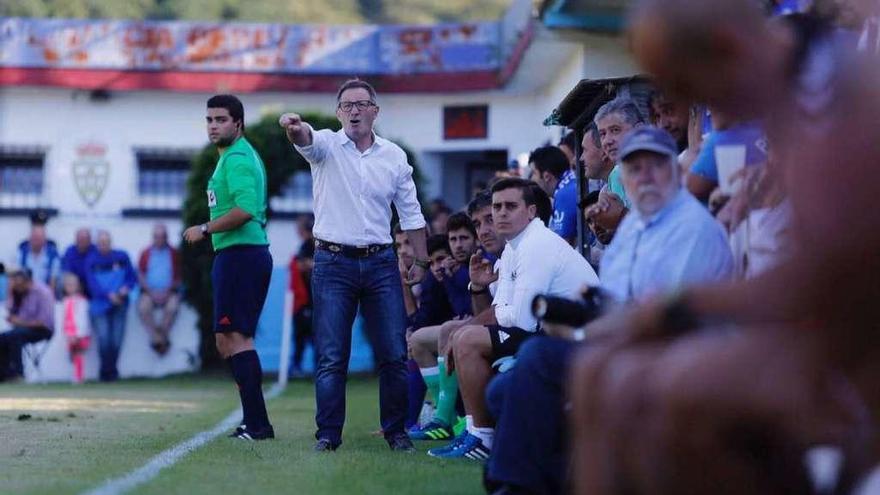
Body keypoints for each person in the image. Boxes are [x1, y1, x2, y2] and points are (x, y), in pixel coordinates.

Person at [484, 127, 734, 494]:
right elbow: (608, 302)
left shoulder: (690, 228)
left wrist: (589, 331)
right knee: (502, 389)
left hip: (671, 353)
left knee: (535, 358)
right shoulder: (635, 227)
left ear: (676, 173)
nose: (644, 176)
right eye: (634, 168)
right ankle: (540, 482)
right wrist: (576, 320)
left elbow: (672, 317)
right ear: (624, 178)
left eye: (655, 166)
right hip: (623, 344)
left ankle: (515, 485)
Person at [280, 78, 428, 452]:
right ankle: (328, 435)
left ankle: (396, 432)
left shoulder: (394, 156)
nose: (354, 111)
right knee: (331, 356)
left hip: (380, 262)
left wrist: (422, 261)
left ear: (375, 111)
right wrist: (295, 129)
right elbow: (306, 140)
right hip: (332, 262)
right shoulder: (327, 145)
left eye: (362, 104)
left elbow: (411, 213)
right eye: (347, 105)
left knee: (394, 352)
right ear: (338, 113)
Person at [428, 178, 599, 460]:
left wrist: (503, 310)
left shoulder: (537, 244)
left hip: (578, 341)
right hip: (547, 333)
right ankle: (474, 433)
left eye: (510, 206)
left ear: (530, 211)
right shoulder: (513, 248)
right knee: (461, 335)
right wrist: (488, 296)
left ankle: (483, 438)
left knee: (468, 338)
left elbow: (521, 319)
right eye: (497, 207)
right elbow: (502, 310)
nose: (501, 213)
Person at [184, 94, 275, 440]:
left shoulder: (237, 157)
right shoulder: (232, 156)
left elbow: (245, 209)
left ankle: (258, 424)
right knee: (227, 340)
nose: (213, 126)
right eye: (209, 120)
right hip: (239, 255)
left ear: (238, 123)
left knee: (235, 339)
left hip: (242, 255)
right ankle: (254, 420)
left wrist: (204, 228)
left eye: (221, 120)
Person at [85, 230, 137, 382]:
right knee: (104, 339)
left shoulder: (122, 257)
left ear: (111, 242)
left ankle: (112, 372)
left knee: (116, 340)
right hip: (99, 306)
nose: (104, 246)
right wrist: (109, 296)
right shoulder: (91, 260)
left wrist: (124, 290)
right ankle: (105, 372)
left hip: (120, 304)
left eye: (106, 242)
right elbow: (92, 284)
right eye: (101, 243)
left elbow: (131, 278)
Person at [0, 267, 54, 381]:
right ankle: (4, 374)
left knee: (15, 336)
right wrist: (10, 290)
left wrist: (20, 322)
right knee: (3, 338)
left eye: (20, 284)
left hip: (43, 330)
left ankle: (18, 374)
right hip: (22, 328)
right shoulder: (18, 292)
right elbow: (10, 312)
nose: (18, 287)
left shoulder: (43, 293)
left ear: (28, 281)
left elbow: (43, 322)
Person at [137, 224, 182, 355]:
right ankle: (161, 340)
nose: (159, 239)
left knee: (172, 307)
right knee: (143, 308)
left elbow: (178, 276)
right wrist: (151, 292)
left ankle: (157, 339)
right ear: (153, 238)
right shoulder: (145, 253)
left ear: (166, 237)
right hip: (149, 292)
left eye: (162, 237)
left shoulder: (174, 253)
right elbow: (140, 275)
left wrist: (167, 292)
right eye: (157, 237)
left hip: (169, 292)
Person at [529, 146, 578, 244]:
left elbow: (561, 245)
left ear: (546, 176)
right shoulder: (571, 183)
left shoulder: (564, 193)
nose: (531, 179)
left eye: (534, 173)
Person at [288, 214, 316, 378]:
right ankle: (296, 367)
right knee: (300, 337)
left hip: (311, 300)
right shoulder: (305, 247)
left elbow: (304, 265)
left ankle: (317, 368)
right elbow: (300, 265)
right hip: (304, 300)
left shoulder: (314, 245)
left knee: (315, 337)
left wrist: (310, 265)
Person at [61, 272, 90, 384]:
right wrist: (67, 333)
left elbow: (83, 319)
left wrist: (78, 335)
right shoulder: (66, 300)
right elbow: (65, 318)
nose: (70, 287)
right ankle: (76, 375)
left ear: (78, 286)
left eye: (73, 284)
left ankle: (79, 376)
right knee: (73, 355)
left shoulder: (82, 301)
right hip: (70, 333)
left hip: (79, 334)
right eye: (68, 285)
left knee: (79, 354)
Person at [18, 224, 61, 293]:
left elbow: (53, 279)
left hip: (44, 292)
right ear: (29, 238)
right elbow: (15, 277)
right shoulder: (20, 253)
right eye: (34, 238)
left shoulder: (53, 255)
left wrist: (49, 297)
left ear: (45, 240)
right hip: (24, 292)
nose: (36, 241)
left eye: (39, 238)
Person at [61, 228, 97, 297]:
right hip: (76, 285)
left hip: (91, 283)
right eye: (80, 239)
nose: (82, 242)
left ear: (90, 240)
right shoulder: (70, 251)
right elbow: (67, 271)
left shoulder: (95, 250)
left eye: (85, 239)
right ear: (76, 239)